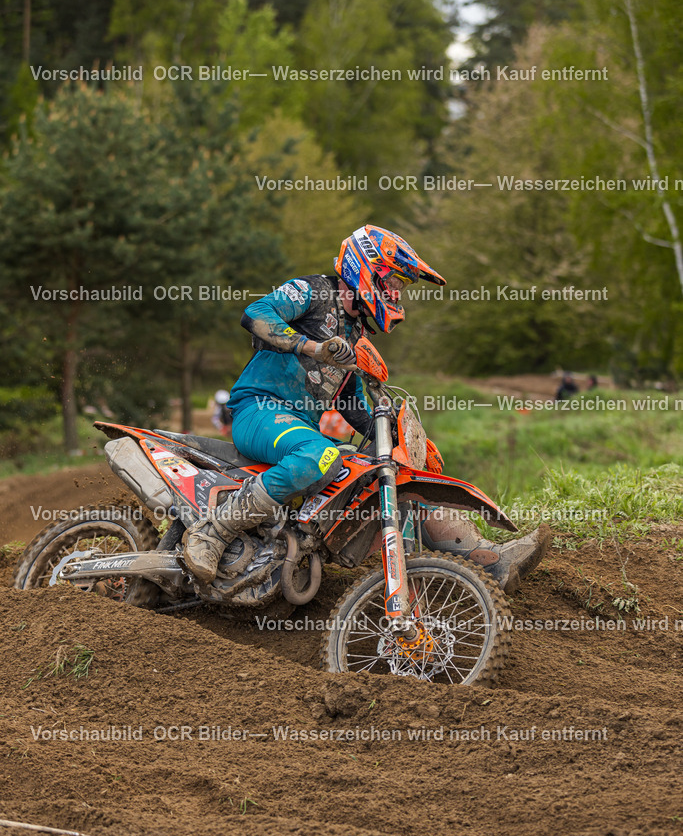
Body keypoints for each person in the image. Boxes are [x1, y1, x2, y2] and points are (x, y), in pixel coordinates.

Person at [183, 224, 550, 589]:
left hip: (300, 428)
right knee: (320, 456)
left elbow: (347, 399)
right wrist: (310, 347)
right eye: (392, 283)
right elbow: (256, 314)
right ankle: (213, 532)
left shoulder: (355, 332)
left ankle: (487, 560)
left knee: (396, 474)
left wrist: (395, 437)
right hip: (258, 409)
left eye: (399, 288)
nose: (395, 294)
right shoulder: (313, 291)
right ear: (367, 268)